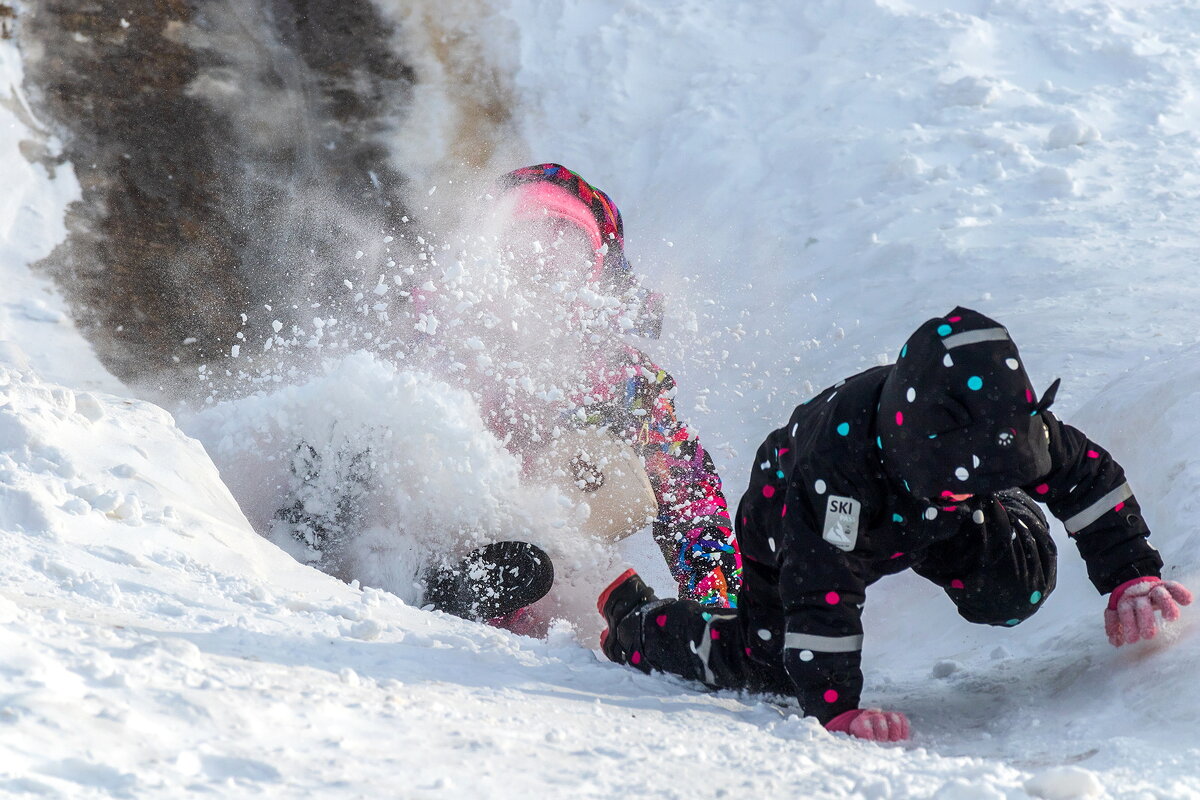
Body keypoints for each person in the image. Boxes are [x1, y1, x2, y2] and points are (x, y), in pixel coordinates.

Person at [596, 306, 1192, 741]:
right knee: (772, 664)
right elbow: (820, 586)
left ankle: (983, 506)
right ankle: (634, 623)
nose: (978, 485)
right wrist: (837, 708)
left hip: (935, 516)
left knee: (1016, 590)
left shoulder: (1004, 427)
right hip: (794, 514)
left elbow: (1086, 475)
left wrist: (1130, 574)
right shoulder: (835, 470)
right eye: (969, 477)